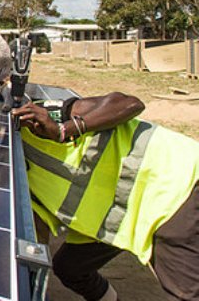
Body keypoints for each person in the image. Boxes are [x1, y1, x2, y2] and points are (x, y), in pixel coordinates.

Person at [12, 93, 199, 301]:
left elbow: (131, 104)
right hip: (118, 214)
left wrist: (64, 130)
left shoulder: (37, 118)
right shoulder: (12, 179)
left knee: (185, 293)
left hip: (170, 185)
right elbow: (36, 234)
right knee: (71, 268)